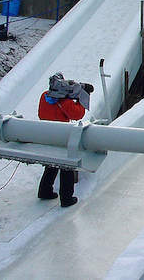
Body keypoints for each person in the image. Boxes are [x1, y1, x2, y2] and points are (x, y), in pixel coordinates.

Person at [37, 73, 93, 207]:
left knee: (51, 164)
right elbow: (78, 114)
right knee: (66, 166)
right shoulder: (65, 102)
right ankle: (66, 198)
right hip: (62, 136)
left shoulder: (44, 96)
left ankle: (44, 190)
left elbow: (40, 113)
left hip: (47, 134)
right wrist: (81, 98)